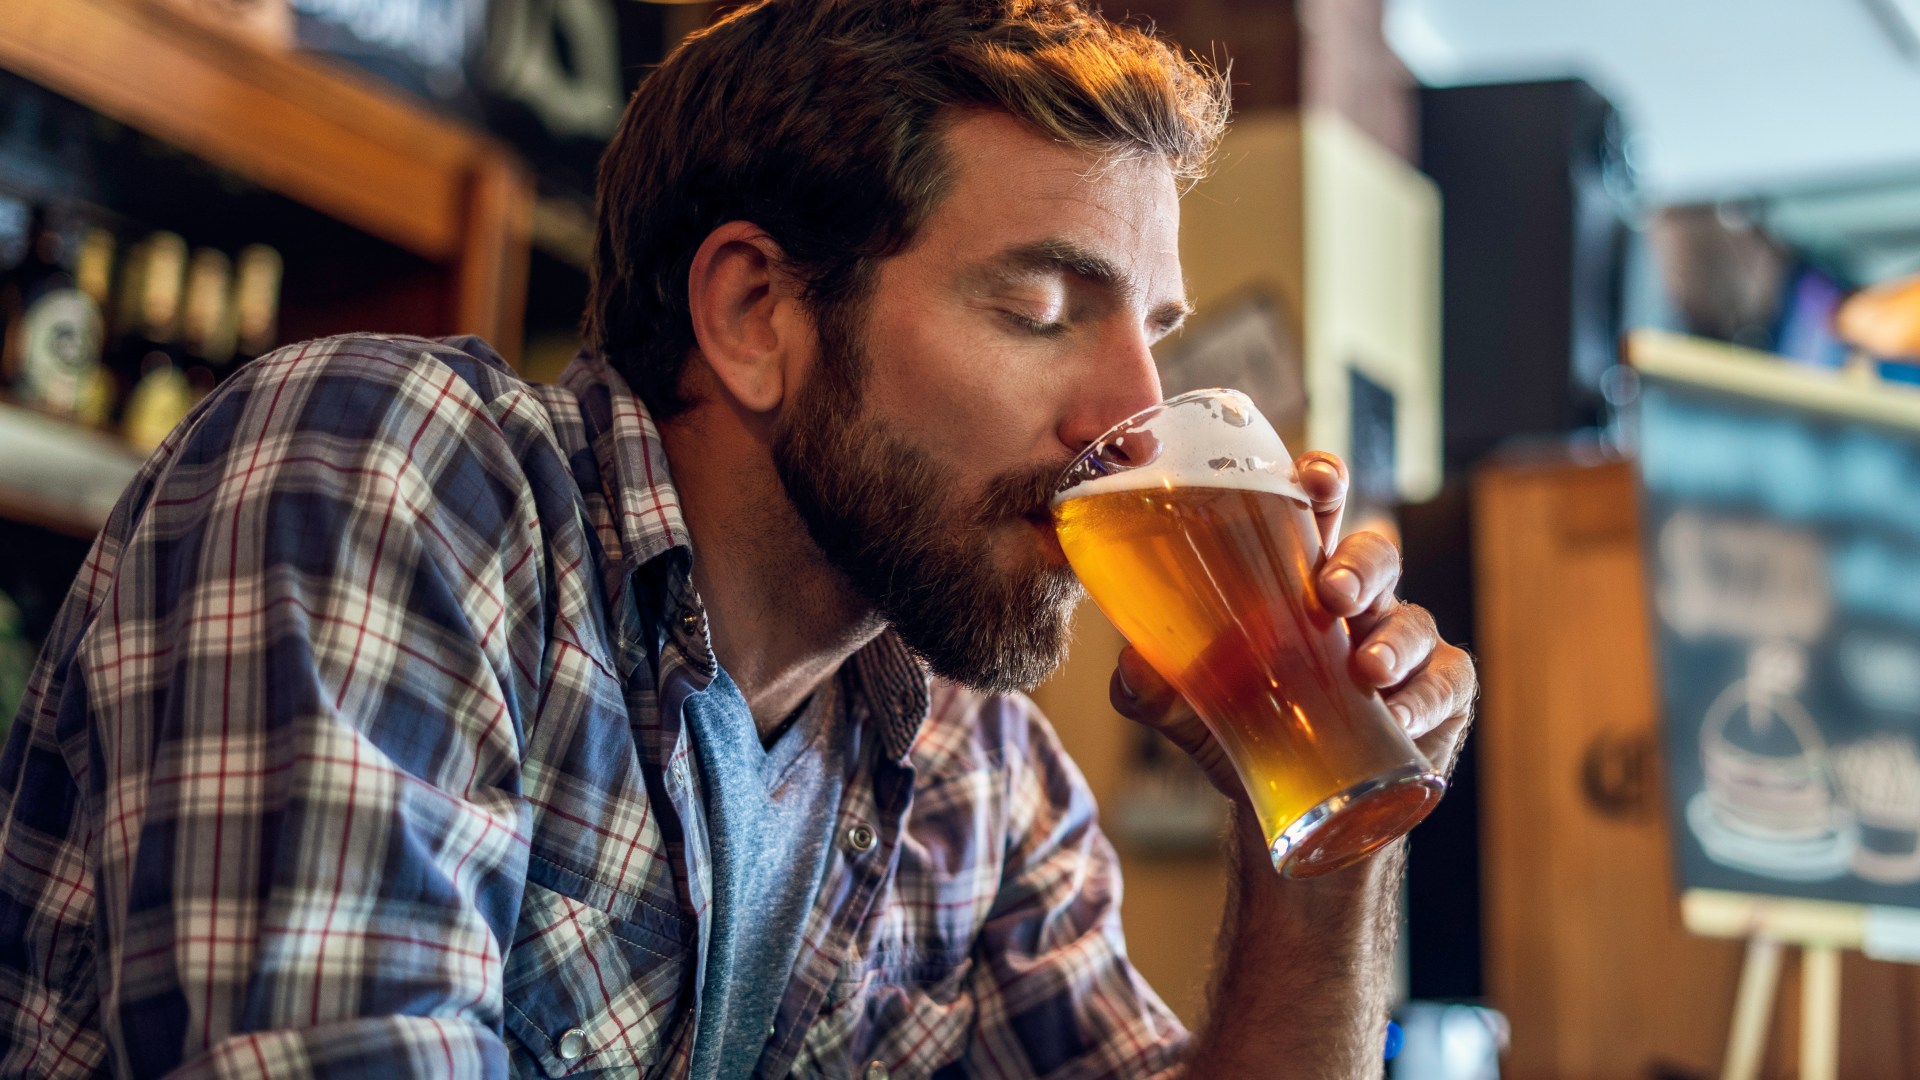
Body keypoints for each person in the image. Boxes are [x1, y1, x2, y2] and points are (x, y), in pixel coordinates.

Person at [0, 1, 1477, 1076]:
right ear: (755, 316)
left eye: (1151, 338)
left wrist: (1320, 855)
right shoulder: (398, 479)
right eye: (1041, 310)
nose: (1131, 415)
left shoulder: (975, 768)